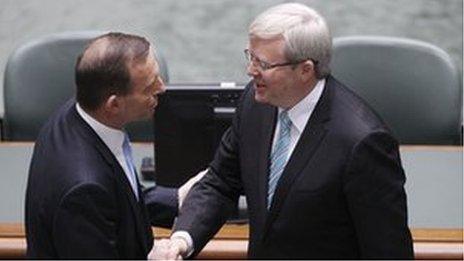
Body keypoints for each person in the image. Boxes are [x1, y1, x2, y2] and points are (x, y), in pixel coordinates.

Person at [150, 3, 414, 259]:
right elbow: (221, 182)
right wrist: (183, 239)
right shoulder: (254, 104)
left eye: (263, 64)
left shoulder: (363, 142)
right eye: (251, 56)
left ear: (305, 70)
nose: (250, 71)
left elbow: (388, 252)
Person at [25, 32, 204, 259]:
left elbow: (115, 201)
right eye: (150, 87)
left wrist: (176, 198)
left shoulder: (75, 114)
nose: (162, 88)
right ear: (114, 105)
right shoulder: (83, 191)